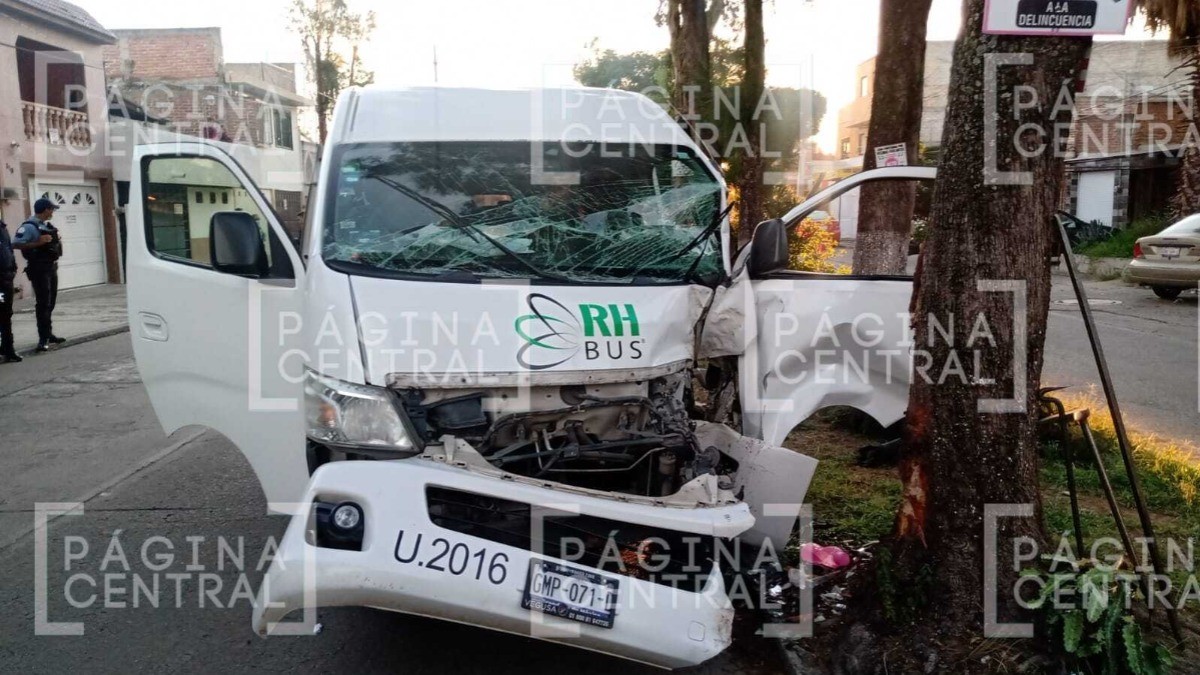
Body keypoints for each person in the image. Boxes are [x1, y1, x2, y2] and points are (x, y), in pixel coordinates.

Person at [12, 198, 66, 353]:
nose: (53, 212)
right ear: (45, 209)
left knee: (50, 302)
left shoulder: (46, 226)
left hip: (51, 268)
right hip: (39, 269)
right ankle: (43, 339)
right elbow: (16, 244)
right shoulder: (29, 227)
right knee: (43, 304)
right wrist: (38, 243)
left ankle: (48, 333)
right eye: (51, 209)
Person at [0, 215, 20, 363]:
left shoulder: (2, 227)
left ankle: (8, 349)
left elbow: (9, 249)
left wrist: (13, 269)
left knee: (5, 314)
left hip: (5, 278)